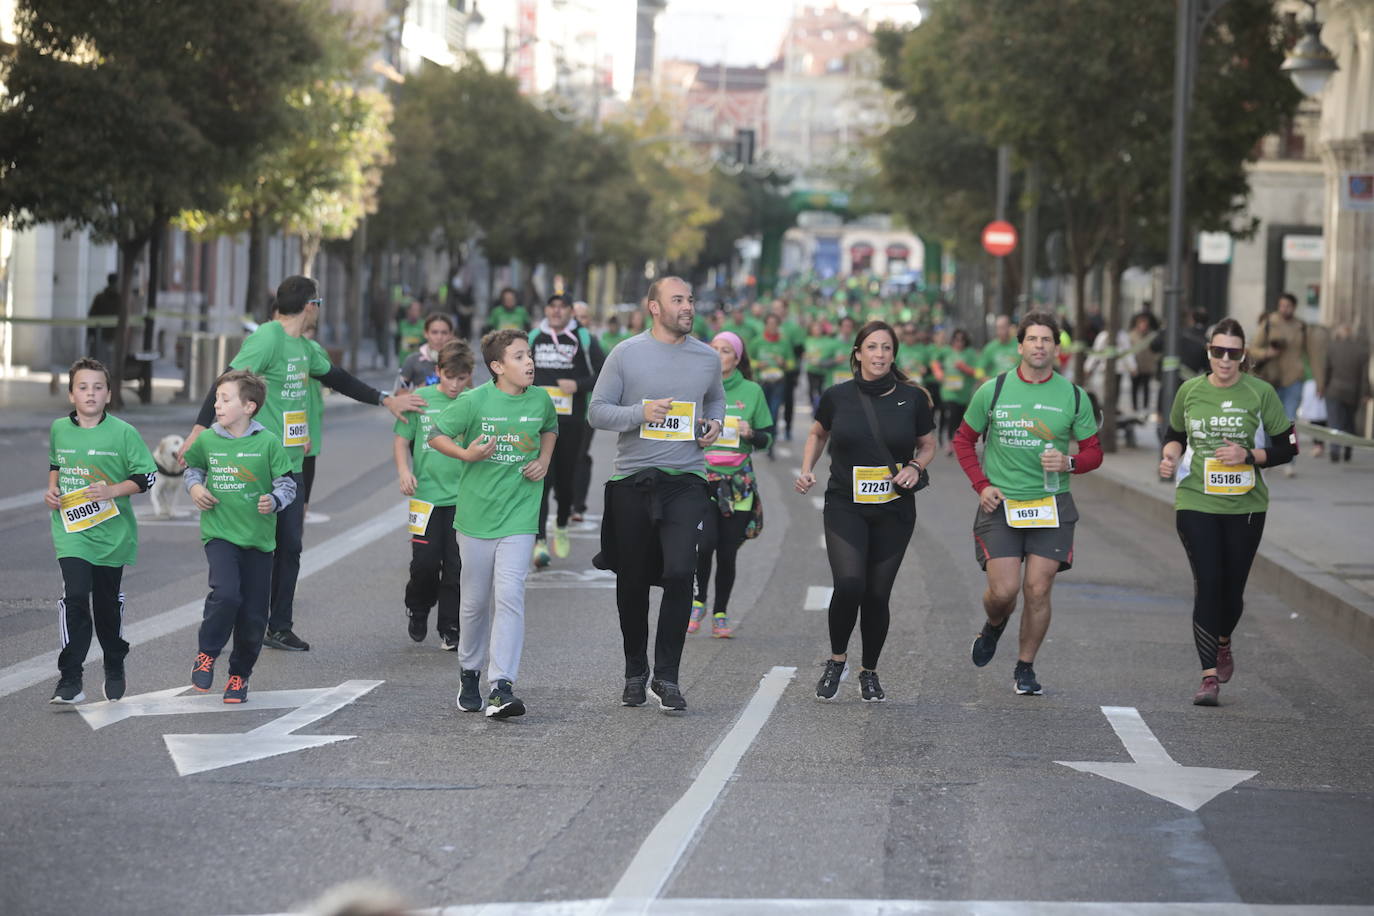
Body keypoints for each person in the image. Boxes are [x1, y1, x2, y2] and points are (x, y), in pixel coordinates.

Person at [181, 276, 426, 652]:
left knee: (290, 546)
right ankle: (242, 615)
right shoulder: (268, 338)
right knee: (254, 545)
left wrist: (384, 399)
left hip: (290, 462)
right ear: (311, 305)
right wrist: (200, 427)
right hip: (255, 460)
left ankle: (278, 626)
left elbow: (338, 378)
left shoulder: (303, 347)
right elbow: (226, 381)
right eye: (318, 303)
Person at [588, 276, 726, 714]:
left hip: (687, 480)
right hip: (633, 480)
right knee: (631, 581)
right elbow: (596, 412)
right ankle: (635, 671)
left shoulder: (707, 358)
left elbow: (716, 402)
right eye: (678, 300)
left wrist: (713, 426)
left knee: (681, 570)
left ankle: (667, 676)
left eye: (690, 299)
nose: (687, 306)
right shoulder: (626, 354)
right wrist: (640, 413)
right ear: (654, 307)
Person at [953, 311, 1103, 696]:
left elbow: (1093, 453)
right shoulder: (994, 390)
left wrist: (1069, 462)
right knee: (1004, 593)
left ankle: (1025, 666)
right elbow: (962, 441)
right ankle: (994, 624)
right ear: (1019, 346)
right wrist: (981, 485)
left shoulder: (1072, 396)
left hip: (1051, 505)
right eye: (1032, 339)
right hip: (1001, 504)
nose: (1039, 345)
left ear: (1056, 348)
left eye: (1047, 340)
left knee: (1037, 589)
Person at [795, 321, 937, 702]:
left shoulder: (913, 398)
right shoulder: (837, 396)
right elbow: (818, 433)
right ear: (857, 353)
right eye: (871, 347)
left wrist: (915, 467)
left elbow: (927, 445)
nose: (879, 355)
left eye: (886, 348)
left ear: (894, 354)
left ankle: (869, 671)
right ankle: (837, 659)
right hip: (846, 505)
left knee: (877, 594)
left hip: (894, 508)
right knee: (850, 584)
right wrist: (807, 469)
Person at [1158, 319, 1296, 705]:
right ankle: (1207, 678)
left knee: (1232, 591)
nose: (1225, 359)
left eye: (1233, 353)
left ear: (1243, 355)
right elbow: (1174, 435)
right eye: (1218, 351)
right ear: (1208, 352)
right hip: (1196, 500)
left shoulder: (1260, 393)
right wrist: (1169, 457)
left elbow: (1287, 448)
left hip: (1247, 506)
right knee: (1209, 582)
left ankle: (1222, 641)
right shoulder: (1190, 391)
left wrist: (1248, 455)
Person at [429, 330, 557, 719]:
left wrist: (545, 461)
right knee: (473, 604)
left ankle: (502, 685)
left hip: (520, 513)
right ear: (498, 367)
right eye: (519, 357)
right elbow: (436, 435)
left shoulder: (540, 400)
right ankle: (469, 671)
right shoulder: (475, 401)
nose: (529, 362)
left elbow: (550, 429)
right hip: (476, 517)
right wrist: (466, 454)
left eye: (529, 355)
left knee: (510, 595)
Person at [45, 358, 157, 704]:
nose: (90, 393)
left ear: (109, 394)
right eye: (82, 387)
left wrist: (111, 491)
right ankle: (71, 678)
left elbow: (147, 477)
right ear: (71, 395)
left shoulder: (124, 433)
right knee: (75, 596)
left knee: (106, 605)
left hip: (112, 534)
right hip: (71, 531)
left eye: (97, 387)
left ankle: (114, 659)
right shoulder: (59, 429)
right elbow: (56, 465)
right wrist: (52, 489)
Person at [182, 370, 296, 703]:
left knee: (254, 616)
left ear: (249, 406)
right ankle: (207, 653)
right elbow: (193, 468)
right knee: (227, 594)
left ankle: (239, 676)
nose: (216, 404)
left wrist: (274, 500)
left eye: (225, 399)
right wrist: (196, 488)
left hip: (259, 541)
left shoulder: (268, 442)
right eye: (217, 398)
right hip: (220, 533)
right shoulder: (207, 440)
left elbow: (287, 484)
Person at [692, 331, 774, 638]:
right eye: (713, 349)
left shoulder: (752, 391)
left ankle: (721, 613)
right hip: (703, 479)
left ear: (737, 359)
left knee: (727, 552)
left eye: (725, 350)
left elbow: (768, 438)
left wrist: (751, 433)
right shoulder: (697, 386)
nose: (717, 354)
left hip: (739, 485)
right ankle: (698, 601)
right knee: (704, 544)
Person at [394, 341, 474, 650]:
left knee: (456, 565)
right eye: (449, 376)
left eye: (462, 378)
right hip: (424, 497)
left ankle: (450, 625)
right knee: (425, 563)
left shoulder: (473, 402)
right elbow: (402, 441)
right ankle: (418, 606)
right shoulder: (420, 400)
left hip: (463, 497)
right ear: (437, 371)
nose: (455, 385)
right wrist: (404, 471)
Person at [529, 294, 602, 567]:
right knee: (540, 479)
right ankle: (539, 542)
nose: (557, 312)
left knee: (566, 481)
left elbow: (602, 373)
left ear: (571, 312)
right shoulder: (535, 337)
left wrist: (578, 385)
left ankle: (561, 522)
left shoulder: (583, 338)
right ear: (546, 310)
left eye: (563, 308)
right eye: (552, 307)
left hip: (571, 421)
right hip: (538, 421)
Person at [1251, 292, 1324, 477]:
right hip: (1270, 379)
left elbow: (1314, 355)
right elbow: (1252, 348)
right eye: (1282, 305)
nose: (1285, 309)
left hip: (1293, 380)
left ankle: (1290, 461)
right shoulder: (1268, 323)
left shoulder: (1301, 327)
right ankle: (1267, 457)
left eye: (1288, 306)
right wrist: (1267, 353)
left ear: (1294, 307)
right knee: (1267, 421)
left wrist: (1319, 381)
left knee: (1289, 420)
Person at [1324, 322, 1370, 463]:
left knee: (1335, 422)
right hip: (1353, 393)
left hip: (1334, 390)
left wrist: (1323, 387)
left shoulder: (1332, 347)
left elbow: (1326, 370)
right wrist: (1366, 393)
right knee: (1350, 422)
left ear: (1339, 333)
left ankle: (1335, 449)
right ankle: (1348, 448)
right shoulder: (1361, 351)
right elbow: (1364, 376)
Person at [937, 329, 980, 453]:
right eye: (956, 339)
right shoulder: (946, 351)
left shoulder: (970, 353)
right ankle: (950, 441)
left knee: (959, 418)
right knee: (951, 413)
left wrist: (964, 368)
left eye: (962, 340)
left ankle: (956, 439)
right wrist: (938, 372)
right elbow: (934, 361)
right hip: (948, 391)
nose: (959, 343)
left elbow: (977, 372)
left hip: (963, 392)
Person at [395, 312, 455, 391]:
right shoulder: (412, 360)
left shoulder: (459, 360)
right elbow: (398, 393)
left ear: (451, 334)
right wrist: (419, 391)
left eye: (444, 333)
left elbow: (469, 395)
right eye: (434, 332)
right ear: (426, 334)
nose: (439, 337)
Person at [87, 273, 120, 365]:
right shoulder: (119, 298)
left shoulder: (101, 297)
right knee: (110, 361)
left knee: (101, 360)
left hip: (102, 333)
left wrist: (90, 333)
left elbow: (91, 315)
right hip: (110, 334)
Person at [395, 300, 425, 366]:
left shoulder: (424, 325)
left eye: (418, 310)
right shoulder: (402, 324)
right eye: (413, 310)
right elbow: (397, 339)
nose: (415, 312)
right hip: (403, 361)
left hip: (419, 362)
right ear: (408, 311)